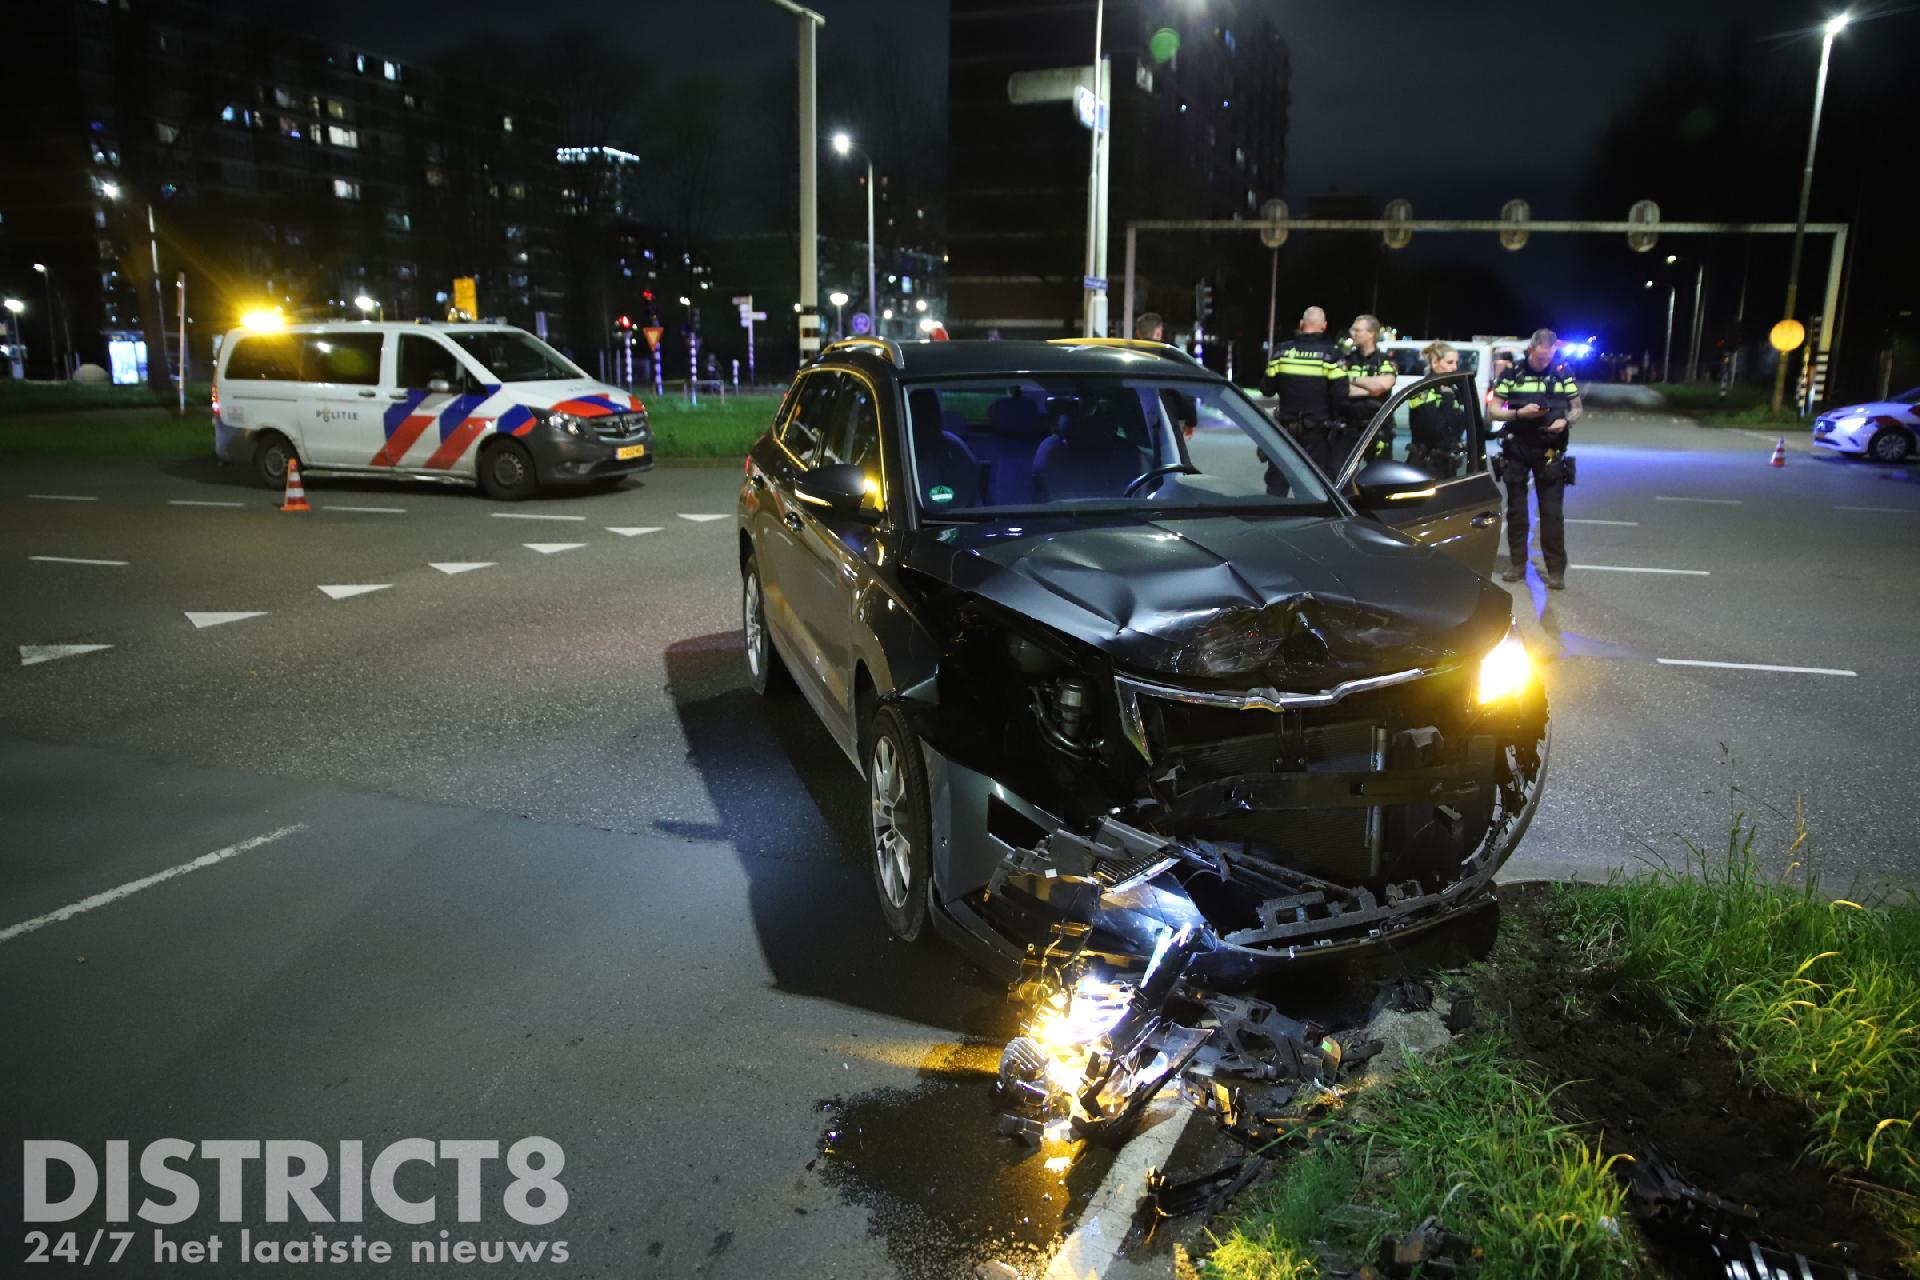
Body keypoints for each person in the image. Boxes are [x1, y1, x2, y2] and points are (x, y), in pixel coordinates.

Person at [1489, 328, 1582, 589]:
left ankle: (1556, 570)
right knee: (1517, 511)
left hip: (1550, 450)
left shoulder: (1562, 372)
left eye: (1548, 358)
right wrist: (1519, 414)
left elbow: (1577, 408)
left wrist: (1565, 421)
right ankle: (1517, 564)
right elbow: (1494, 410)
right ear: (1531, 350)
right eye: (1540, 358)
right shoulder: (1511, 373)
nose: (1544, 363)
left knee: (1552, 513)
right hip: (1517, 448)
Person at [1260, 306, 1345, 473]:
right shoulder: (1331, 354)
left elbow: (1267, 389)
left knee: (1278, 482)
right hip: (1317, 434)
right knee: (1316, 483)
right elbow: (1340, 394)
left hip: (1284, 430)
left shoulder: (1281, 351)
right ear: (1324, 325)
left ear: (1301, 324)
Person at [1405, 341, 1469, 478]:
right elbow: (1436, 430)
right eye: (1450, 362)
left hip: (1447, 465)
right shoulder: (1422, 392)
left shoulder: (1450, 390)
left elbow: (1460, 425)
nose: (1454, 368)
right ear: (1435, 363)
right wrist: (1447, 399)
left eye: (1456, 363)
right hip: (1427, 465)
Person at [1340, 314, 1397, 461]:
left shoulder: (1383, 360)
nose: (1352, 334)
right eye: (1352, 330)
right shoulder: (1345, 360)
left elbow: (1383, 385)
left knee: (1379, 478)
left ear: (1371, 333)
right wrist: (1371, 389)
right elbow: (1340, 388)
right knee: (1343, 478)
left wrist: (1352, 380)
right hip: (1348, 429)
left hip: (1377, 429)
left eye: (1357, 330)